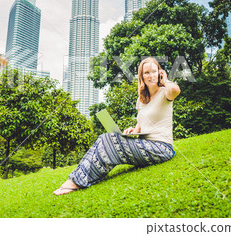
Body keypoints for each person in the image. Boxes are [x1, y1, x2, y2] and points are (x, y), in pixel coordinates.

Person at [53, 57, 180, 195]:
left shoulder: (165, 92)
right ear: (141, 76)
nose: (150, 75)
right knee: (104, 138)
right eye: (146, 73)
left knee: (110, 141)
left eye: (154, 71)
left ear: (159, 72)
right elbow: (140, 123)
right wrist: (134, 130)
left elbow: (175, 90)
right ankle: (77, 178)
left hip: (162, 148)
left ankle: (76, 182)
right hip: (145, 144)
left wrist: (164, 79)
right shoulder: (141, 99)